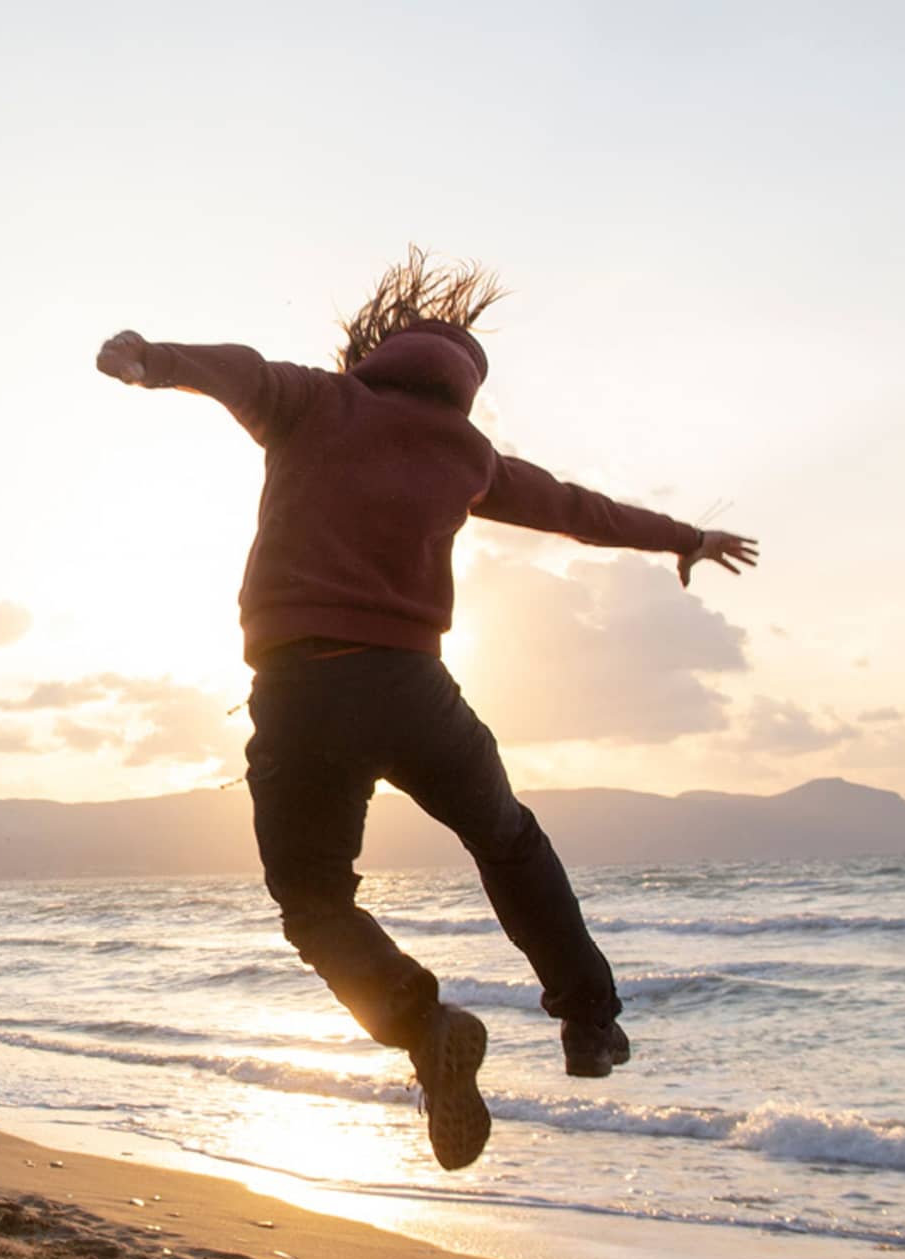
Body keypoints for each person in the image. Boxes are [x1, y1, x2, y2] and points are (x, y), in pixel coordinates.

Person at [94, 249, 758, 1171]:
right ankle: (591, 1025)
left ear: (379, 350)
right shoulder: (468, 454)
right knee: (510, 840)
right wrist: (687, 537)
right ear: (464, 385)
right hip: (413, 690)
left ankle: (424, 1022)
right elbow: (577, 509)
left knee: (315, 900)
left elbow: (239, 368)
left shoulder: (316, 401)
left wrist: (152, 358)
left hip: (299, 694)